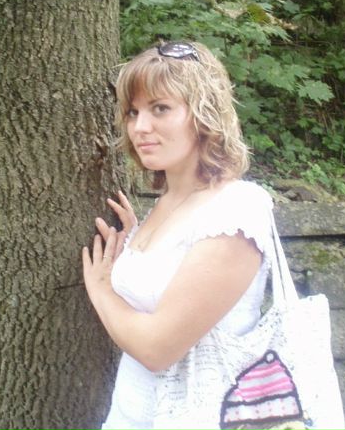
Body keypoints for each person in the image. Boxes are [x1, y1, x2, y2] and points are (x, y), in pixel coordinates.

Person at [82, 41, 275, 430]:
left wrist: (100, 289)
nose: (140, 127)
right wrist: (132, 244)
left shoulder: (237, 209)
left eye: (160, 108)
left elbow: (157, 348)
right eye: (133, 112)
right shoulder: (165, 204)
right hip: (129, 416)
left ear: (204, 115)